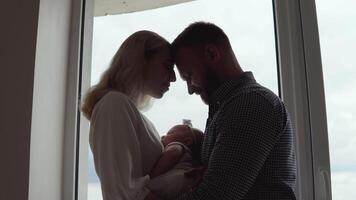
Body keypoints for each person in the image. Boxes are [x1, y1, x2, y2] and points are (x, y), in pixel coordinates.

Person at [171, 22, 296, 199]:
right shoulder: (228, 106)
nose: (190, 89)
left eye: (189, 76)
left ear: (211, 54)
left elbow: (214, 196)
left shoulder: (249, 104)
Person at [81, 30, 181, 200]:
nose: (173, 78)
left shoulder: (131, 113)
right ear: (141, 61)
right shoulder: (114, 104)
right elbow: (125, 194)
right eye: (167, 66)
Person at [148, 125, 205, 200]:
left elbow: (172, 154)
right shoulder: (189, 159)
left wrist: (151, 175)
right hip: (186, 182)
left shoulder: (178, 145)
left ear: (187, 141)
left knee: (144, 188)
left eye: (170, 133)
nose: (163, 136)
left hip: (177, 179)